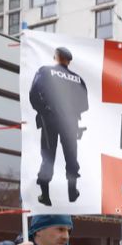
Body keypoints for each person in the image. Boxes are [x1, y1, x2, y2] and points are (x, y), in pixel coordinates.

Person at [29, 47, 88, 206]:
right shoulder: (77, 78)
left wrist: (44, 110)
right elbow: (84, 105)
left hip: (50, 120)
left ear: (56, 57)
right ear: (69, 60)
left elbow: (33, 94)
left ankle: (45, 196)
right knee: (71, 156)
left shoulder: (45, 71)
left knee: (48, 156)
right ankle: (72, 193)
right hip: (70, 122)